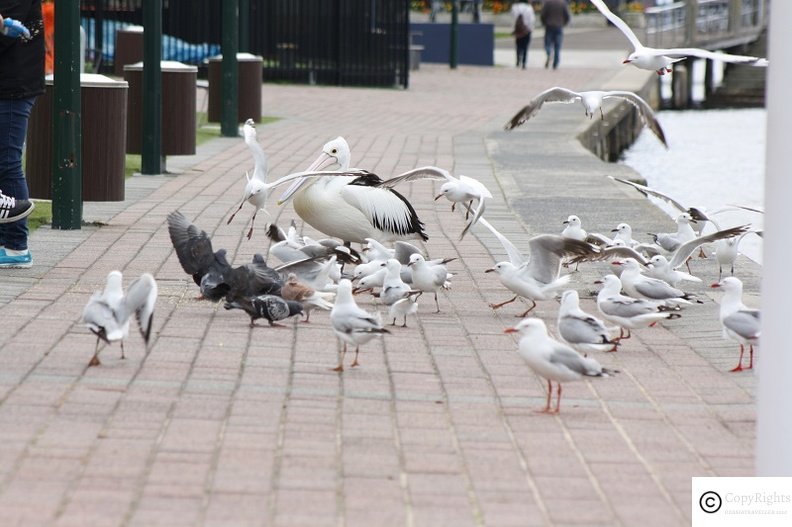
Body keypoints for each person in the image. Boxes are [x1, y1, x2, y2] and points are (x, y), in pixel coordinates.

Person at [0, 3, 45, 269]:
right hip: (11, 82)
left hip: (14, 85)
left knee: (7, 161)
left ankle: (16, 247)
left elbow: (7, 35)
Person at [540, 0, 570, 70]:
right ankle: (555, 64)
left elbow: (543, 15)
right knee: (557, 46)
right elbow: (567, 15)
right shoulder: (562, 3)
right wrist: (564, 23)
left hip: (549, 25)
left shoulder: (548, 3)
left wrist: (544, 23)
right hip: (559, 26)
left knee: (547, 44)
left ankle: (549, 53)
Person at [511, 2, 535, 69]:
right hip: (527, 30)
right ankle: (524, 62)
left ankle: (518, 60)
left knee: (518, 45)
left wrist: (513, 29)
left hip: (518, 30)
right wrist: (531, 29)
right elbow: (532, 20)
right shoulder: (529, 8)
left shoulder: (515, 7)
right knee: (525, 47)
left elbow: (512, 19)